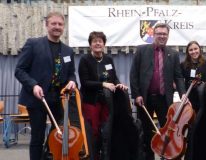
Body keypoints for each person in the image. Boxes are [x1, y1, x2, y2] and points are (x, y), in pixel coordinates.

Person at [15, 11, 76, 160]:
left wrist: (72, 81)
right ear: (46, 25)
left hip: (59, 99)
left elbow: (71, 73)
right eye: (53, 23)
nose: (57, 27)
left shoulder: (68, 50)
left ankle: (47, 156)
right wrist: (33, 85)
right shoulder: (33, 44)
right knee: (37, 136)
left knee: (58, 133)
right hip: (38, 98)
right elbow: (19, 70)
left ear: (64, 27)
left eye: (60, 24)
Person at [78, 31, 139, 160]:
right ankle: (93, 156)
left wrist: (118, 84)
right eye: (95, 41)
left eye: (100, 41)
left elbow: (114, 77)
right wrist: (103, 84)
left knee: (106, 131)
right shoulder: (85, 60)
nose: (98, 43)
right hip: (91, 101)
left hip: (107, 102)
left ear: (104, 44)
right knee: (93, 132)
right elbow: (85, 82)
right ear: (90, 45)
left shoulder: (108, 59)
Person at [130, 23, 186, 160]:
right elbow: (134, 75)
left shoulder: (173, 54)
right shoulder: (141, 50)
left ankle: (166, 156)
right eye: (159, 33)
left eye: (164, 34)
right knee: (146, 133)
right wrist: (136, 94)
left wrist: (183, 93)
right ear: (153, 35)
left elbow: (178, 76)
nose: (162, 36)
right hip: (145, 99)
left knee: (168, 133)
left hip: (164, 99)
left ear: (168, 36)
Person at [180, 41, 206, 160]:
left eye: (196, 49)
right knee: (194, 131)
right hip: (192, 103)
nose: (194, 51)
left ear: (200, 49)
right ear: (188, 52)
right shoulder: (183, 65)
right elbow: (181, 83)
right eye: (191, 50)